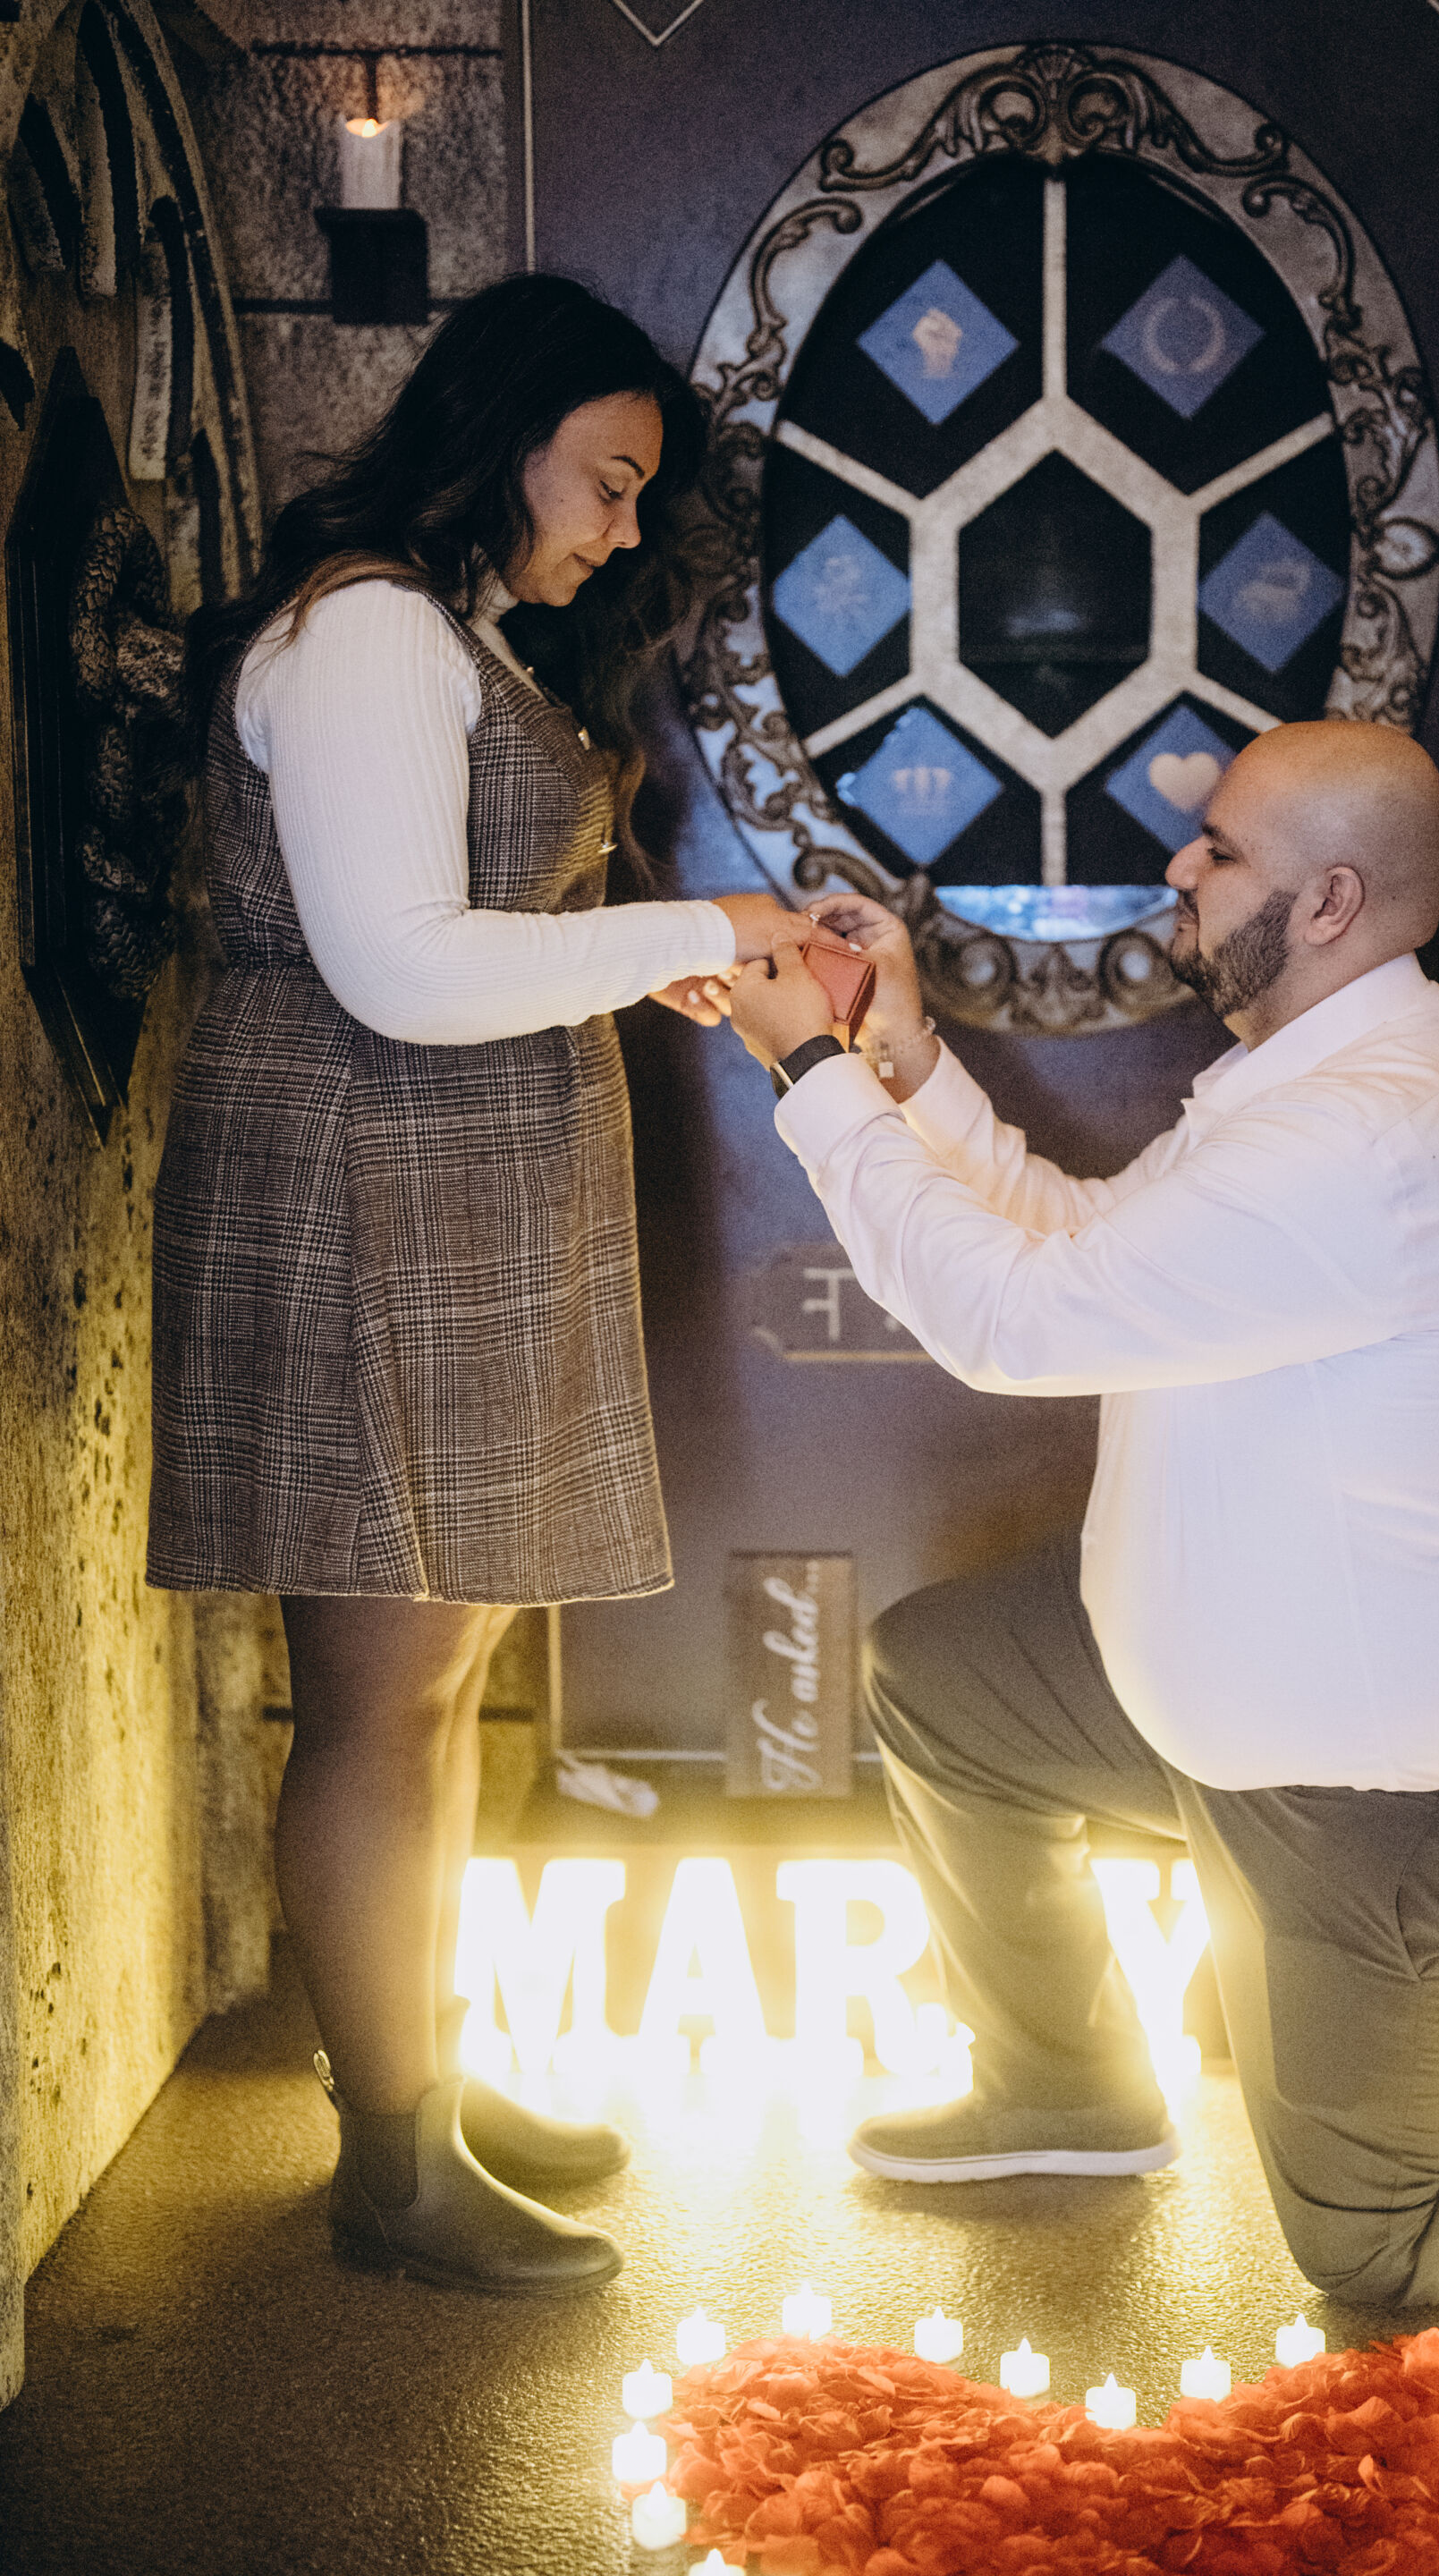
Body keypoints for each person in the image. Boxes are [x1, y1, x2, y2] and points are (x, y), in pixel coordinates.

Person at [727, 720, 1439, 2306]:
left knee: (1381, 2242)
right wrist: (902, 1061)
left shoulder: (1367, 1138)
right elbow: (1082, 1247)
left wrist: (813, 1077)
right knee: (946, 1678)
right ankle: (1062, 2094)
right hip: (1214, 1694)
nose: (1180, 862)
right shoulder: (1302, 1087)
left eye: (1223, 848)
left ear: (1329, 902)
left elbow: (1017, 1323)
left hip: (1401, 1795)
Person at [150, 275, 813, 2297]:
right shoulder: (366, 631)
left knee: (432, 1690)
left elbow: (469, 928)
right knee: (377, 1701)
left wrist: (640, 956)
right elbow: (399, 967)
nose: (623, 526)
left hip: (446, 1204)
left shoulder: (456, 636)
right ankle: (390, 2166)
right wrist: (688, 928)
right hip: (361, 1204)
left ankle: (417, 2077)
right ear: (503, 434)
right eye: (608, 479)